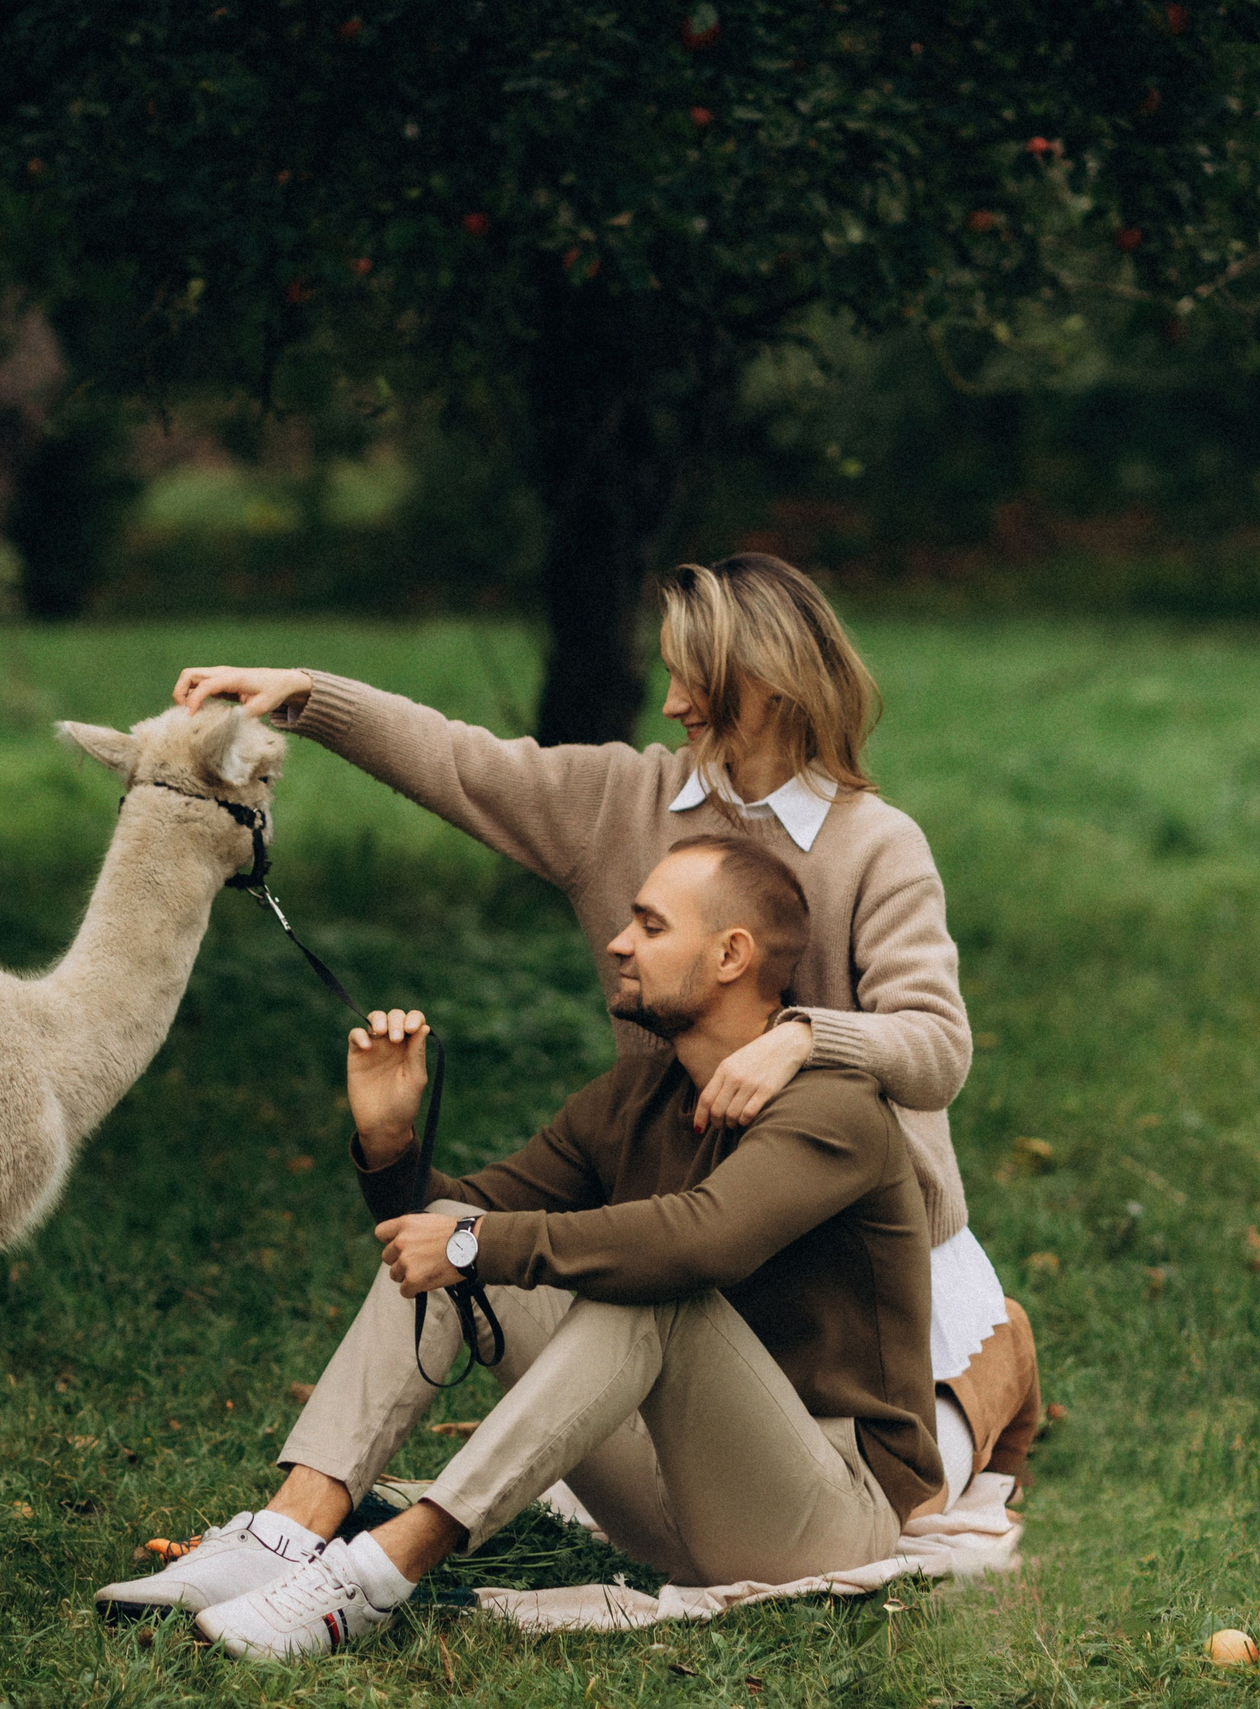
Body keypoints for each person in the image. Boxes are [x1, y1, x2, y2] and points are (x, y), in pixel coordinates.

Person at [170, 553, 1040, 1504]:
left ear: (769, 682)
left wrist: (802, 1037)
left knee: (902, 1494)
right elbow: (463, 762)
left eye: (693, 677)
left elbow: (938, 1046)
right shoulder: (618, 801)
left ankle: (989, 1373)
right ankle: (303, 1527)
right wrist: (308, 695)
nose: (671, 703)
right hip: (683, 1208)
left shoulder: (878, 843)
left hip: (855, 1256)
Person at [96, 837, 939, 1657]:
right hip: (671, 1487)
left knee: (652, 1289)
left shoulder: (837, 1107)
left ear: (730, 955)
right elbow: (465, 1227)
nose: (617, 942)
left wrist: (470, 1240)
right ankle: (286, 1532)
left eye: (649, 926)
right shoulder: (636, 1095)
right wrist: (393, 1148)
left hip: (830, 1509)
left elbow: (701, 1241)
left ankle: (377, 1573)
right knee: (464, 1265)